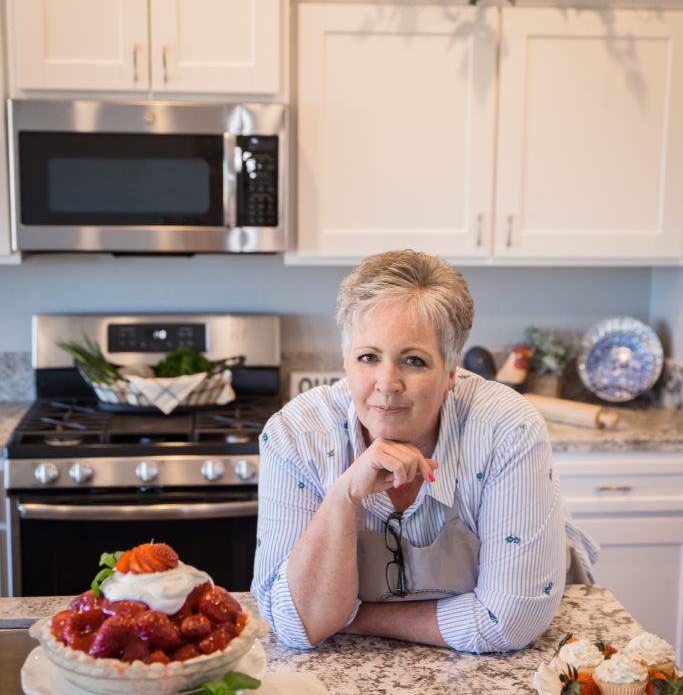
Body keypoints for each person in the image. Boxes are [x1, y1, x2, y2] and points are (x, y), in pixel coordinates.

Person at [252, 250, 597, 652]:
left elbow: (509, 621)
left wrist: (349, 617)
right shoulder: (297, 436)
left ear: (451, 373)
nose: (386, 383)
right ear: (345, 362)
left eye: (413, 361)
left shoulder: (506, 430)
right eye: (368, 357)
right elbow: (291, 623)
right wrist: (345, 495)